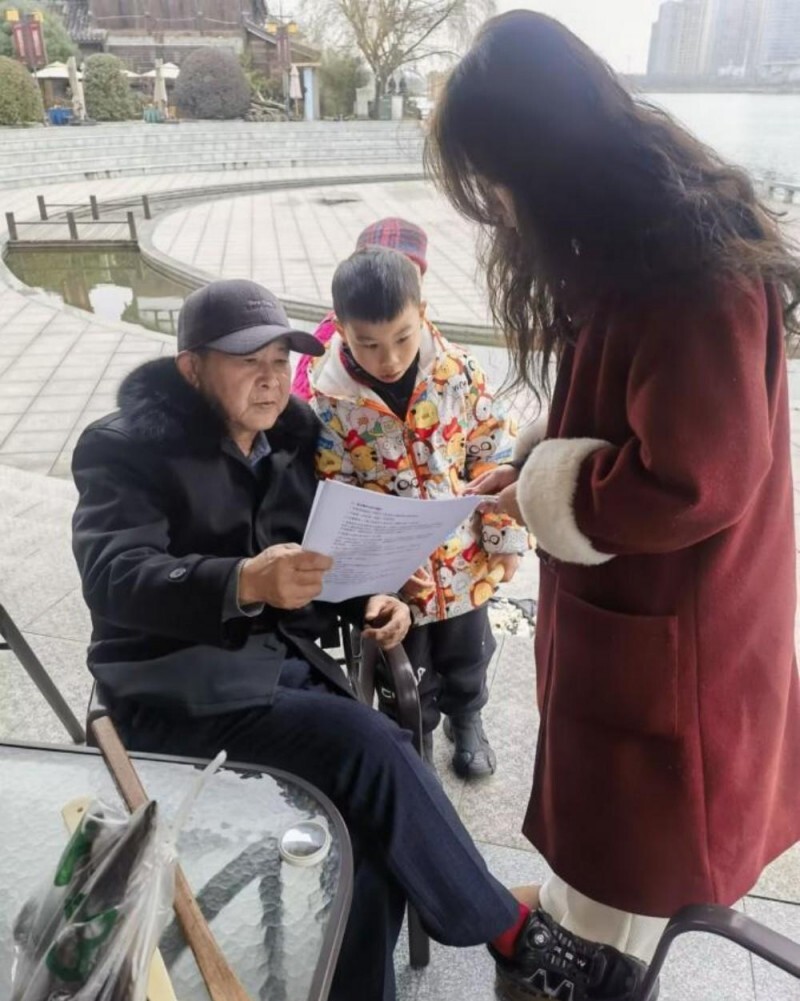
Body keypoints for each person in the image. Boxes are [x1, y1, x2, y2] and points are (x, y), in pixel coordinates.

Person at [70, 278, 647, 1001]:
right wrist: (243, 579)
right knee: (373, 744)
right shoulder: (126, 449)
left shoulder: (290, 441)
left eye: (280, 360)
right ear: (191, 368)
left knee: (371, 837)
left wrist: (373, 594)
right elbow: (114, 575)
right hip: (172, 693)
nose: (270, 379)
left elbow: (317, 561)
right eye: (247, 361)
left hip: (275, 675)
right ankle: (515, 936)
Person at [425, 8, 800, 999]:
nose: (500, 209)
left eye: (499, 181)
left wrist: (549, 488)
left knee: (623, 895)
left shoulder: (691, 277)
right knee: (607, 856)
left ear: (545, 162)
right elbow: (626, 419)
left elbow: (692, 478)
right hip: (648, 620)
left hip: (678, 642)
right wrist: (532, 470)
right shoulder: (647, 246)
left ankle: (581, 975)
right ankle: (572, 944)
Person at [308, 248, 530, 779]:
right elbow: (334, 490)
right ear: (340, 328)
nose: (388, 358)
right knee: (404, 665)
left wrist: (504, 537)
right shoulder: (331, 402)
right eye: (368, 344)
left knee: (469, 652)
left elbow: (494, 453)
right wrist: (370, 568)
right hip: (395, 574)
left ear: (423, 313)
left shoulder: (458, 373)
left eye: (403, 338)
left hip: (463, 558)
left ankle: (468, 718)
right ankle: (415, 735)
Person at [291, 217, 428, 400]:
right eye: (370, 345)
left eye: (410, 273)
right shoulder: (329, 343)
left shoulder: (435, 346)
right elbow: (302, 394)